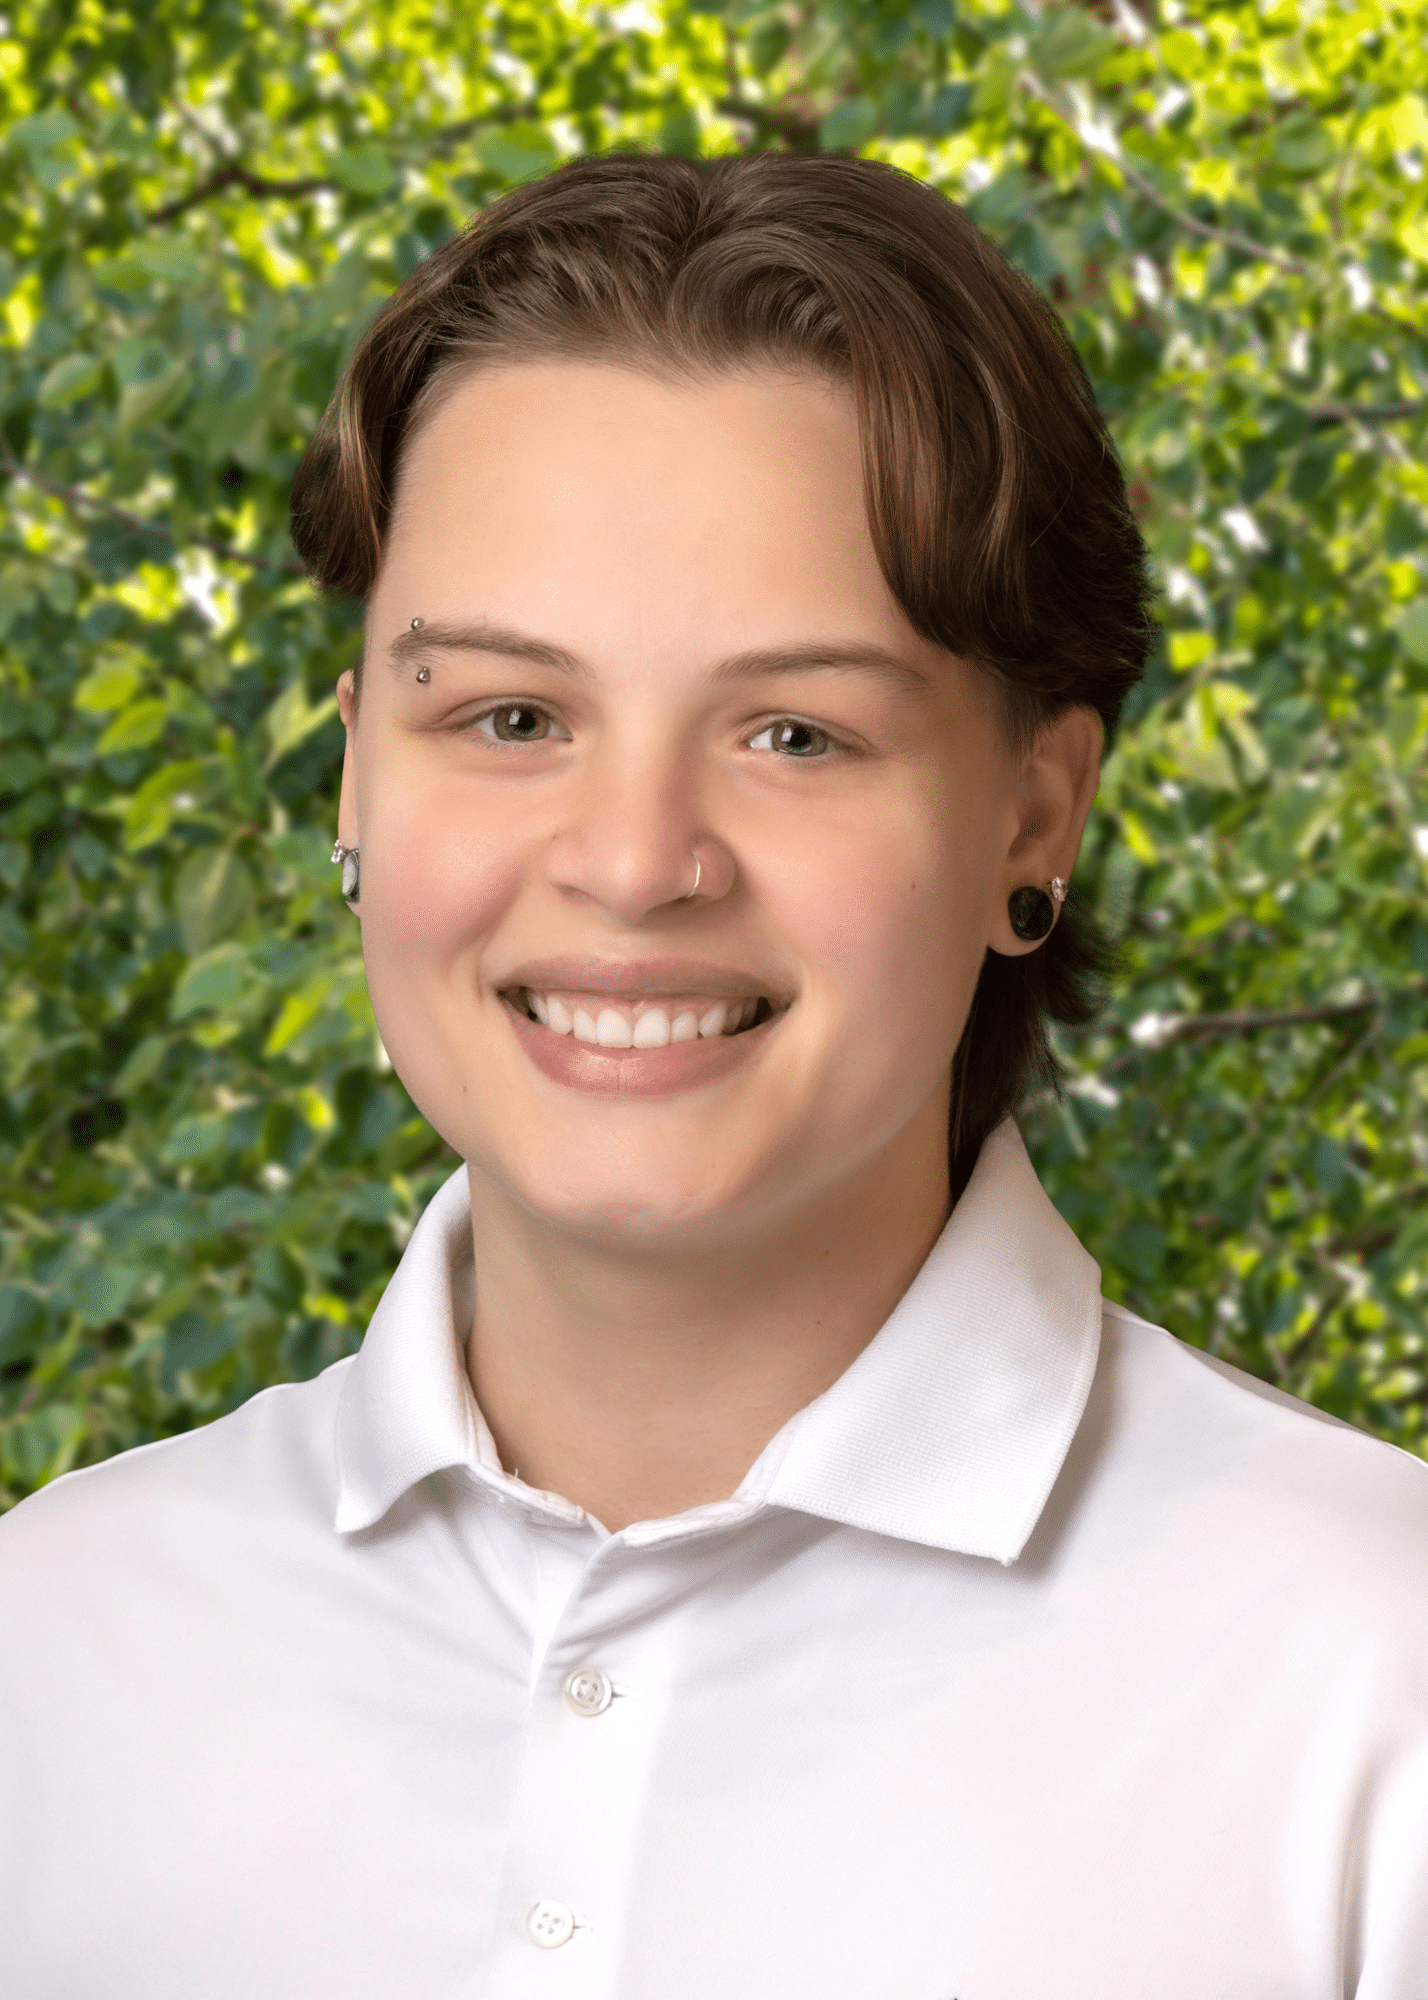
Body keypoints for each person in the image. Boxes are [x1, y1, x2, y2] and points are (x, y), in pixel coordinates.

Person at [2, 152, 1425, 2000]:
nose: (633, 861)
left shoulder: (1375, 1675)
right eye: (512, 715)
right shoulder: (52, 1647)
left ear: (1035, 814)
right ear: (356, 774)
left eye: (795, 734)